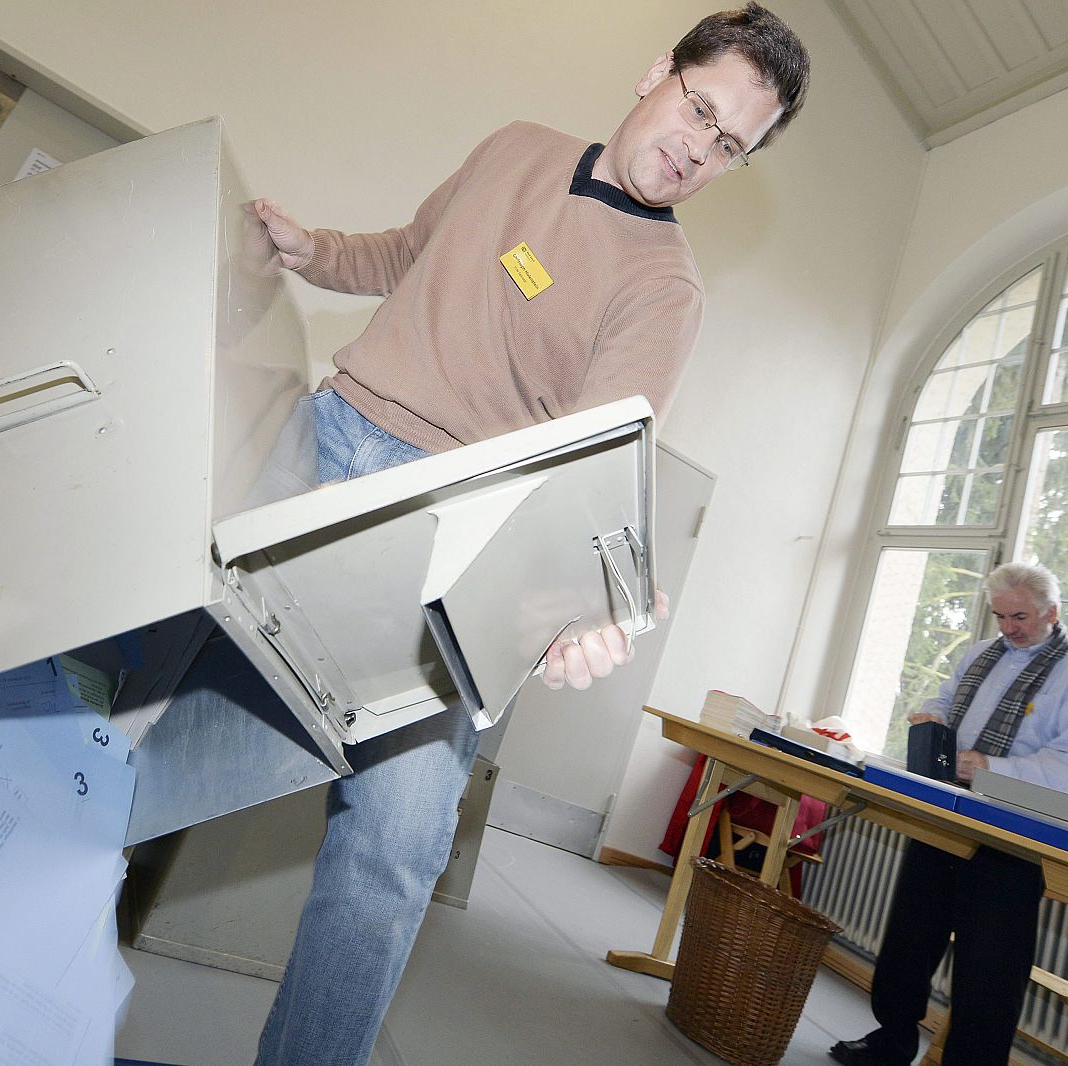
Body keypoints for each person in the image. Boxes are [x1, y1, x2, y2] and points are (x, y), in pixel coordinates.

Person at [247, 6, 810, 1064]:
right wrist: (309, 249)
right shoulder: (515, 148)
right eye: (698, 110)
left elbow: (594, 470)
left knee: (394, 846)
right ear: (659, 73)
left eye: (728, 145)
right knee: (150, 688)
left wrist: (584, 599)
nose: (697, 148)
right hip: (327, 451)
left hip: (448, 541)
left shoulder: (665, 289)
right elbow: (406, 253)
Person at [830, 562, 1068, 1066]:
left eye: (1019, 616)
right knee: (908, 940)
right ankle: (890, 1041)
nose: (1008, 628)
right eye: (1000, 616)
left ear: (1053, 611)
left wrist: (992, 768)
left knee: (989, 970)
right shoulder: (981, 654)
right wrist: (932, 713)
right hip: (946, 815)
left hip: (1011, 837)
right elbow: (946, 697)